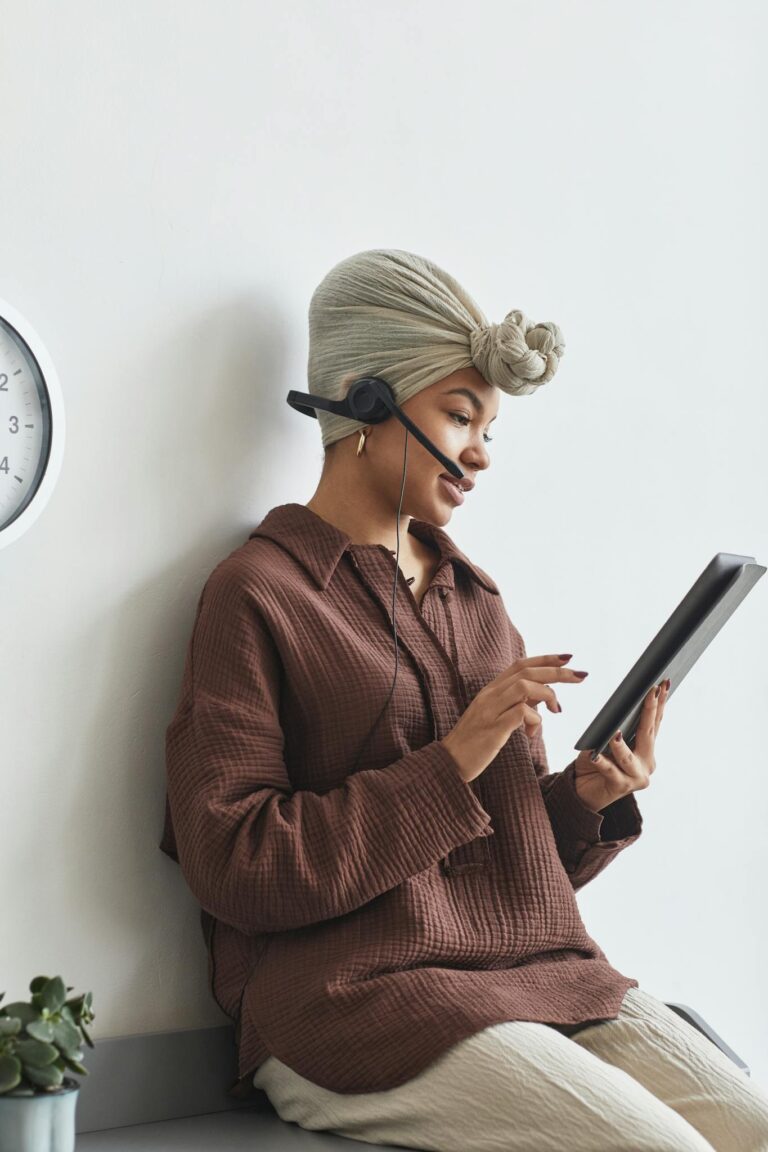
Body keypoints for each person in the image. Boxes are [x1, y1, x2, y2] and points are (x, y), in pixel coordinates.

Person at [160, 249, 768, 1150]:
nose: (480, 453)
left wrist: (584, 800)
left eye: (490, 426)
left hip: (539, 974)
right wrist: (452, 761)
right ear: (367, 402)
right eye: (459, 415)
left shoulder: (475, 602)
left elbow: (504, 861)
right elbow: (235, 862)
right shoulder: (259, 593)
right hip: (355, 998)